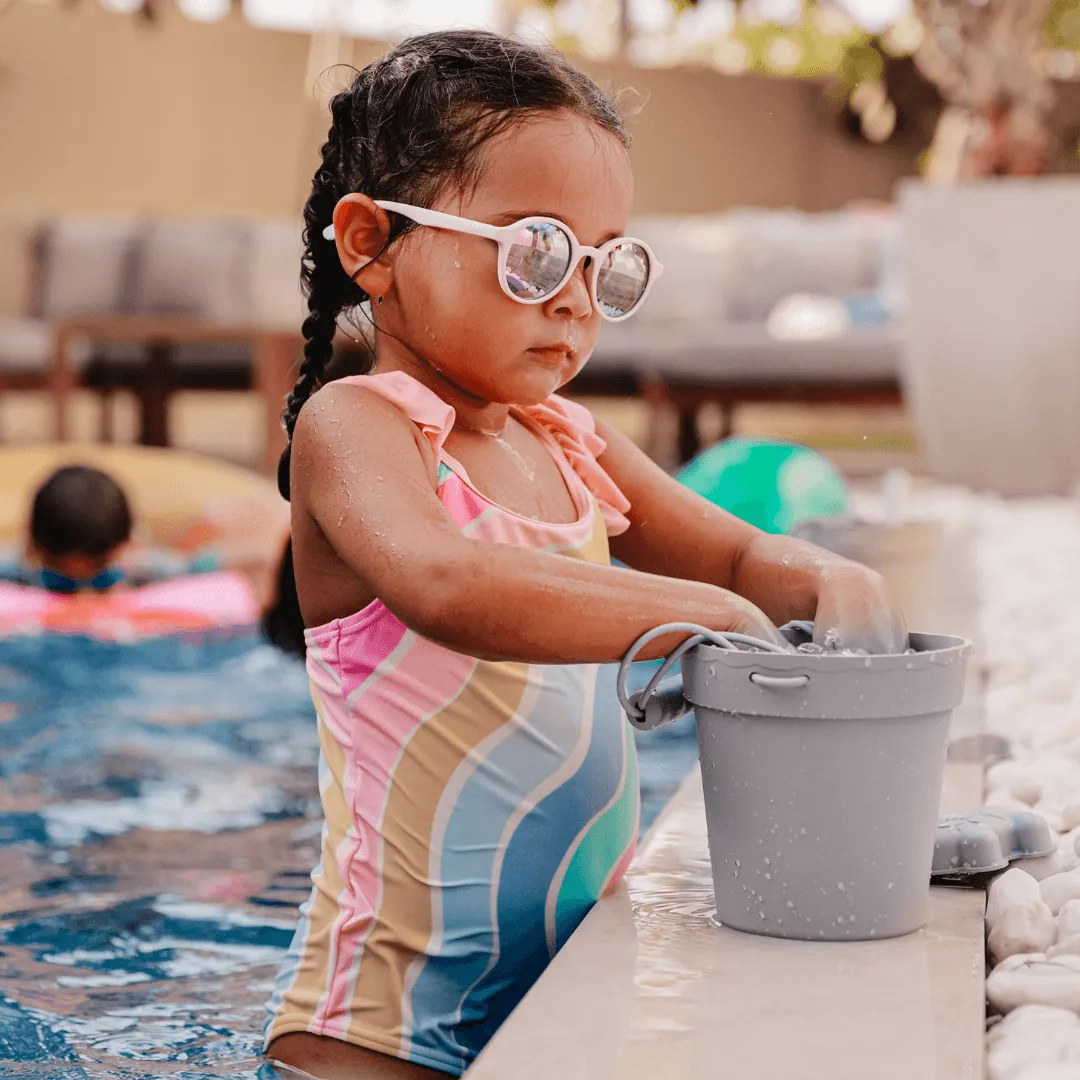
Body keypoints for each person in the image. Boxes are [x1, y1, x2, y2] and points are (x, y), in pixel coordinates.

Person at [261, 30, 906, 1080]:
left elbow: (741, 558)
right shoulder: (355, 428)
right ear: (372, 241)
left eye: (608, 265)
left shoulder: (568, 438)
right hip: (374, 1026)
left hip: (562, 992)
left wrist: (828, 578)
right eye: (538, 252)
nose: (574, 298)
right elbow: (447, 582)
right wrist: (710, 617)